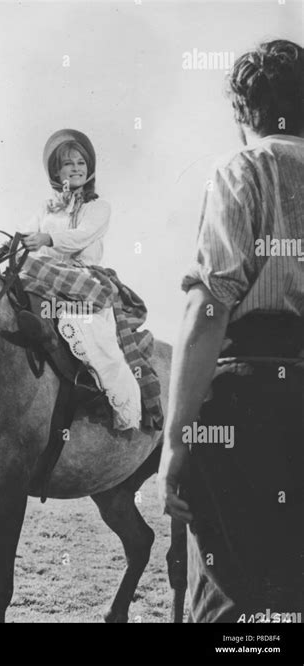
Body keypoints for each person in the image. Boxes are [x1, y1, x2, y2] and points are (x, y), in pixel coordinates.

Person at [158, 39, 304, 622]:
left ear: (246, 112)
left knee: (231, 603)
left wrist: (174, 441)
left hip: (246, 406)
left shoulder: (244, 168)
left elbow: (209, 308)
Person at [6, 129, 163, 431]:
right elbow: (26, 232)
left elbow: (81, 236)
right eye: (68, 164)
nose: (76, 168)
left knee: (93, 333)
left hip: (83, 279)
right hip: (46, 275)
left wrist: (48, 237)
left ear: (89, 168)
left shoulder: (99, 208)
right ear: (56, 171)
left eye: (81, 162)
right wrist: (12, 244)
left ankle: (100, 390)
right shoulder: (46, 208)